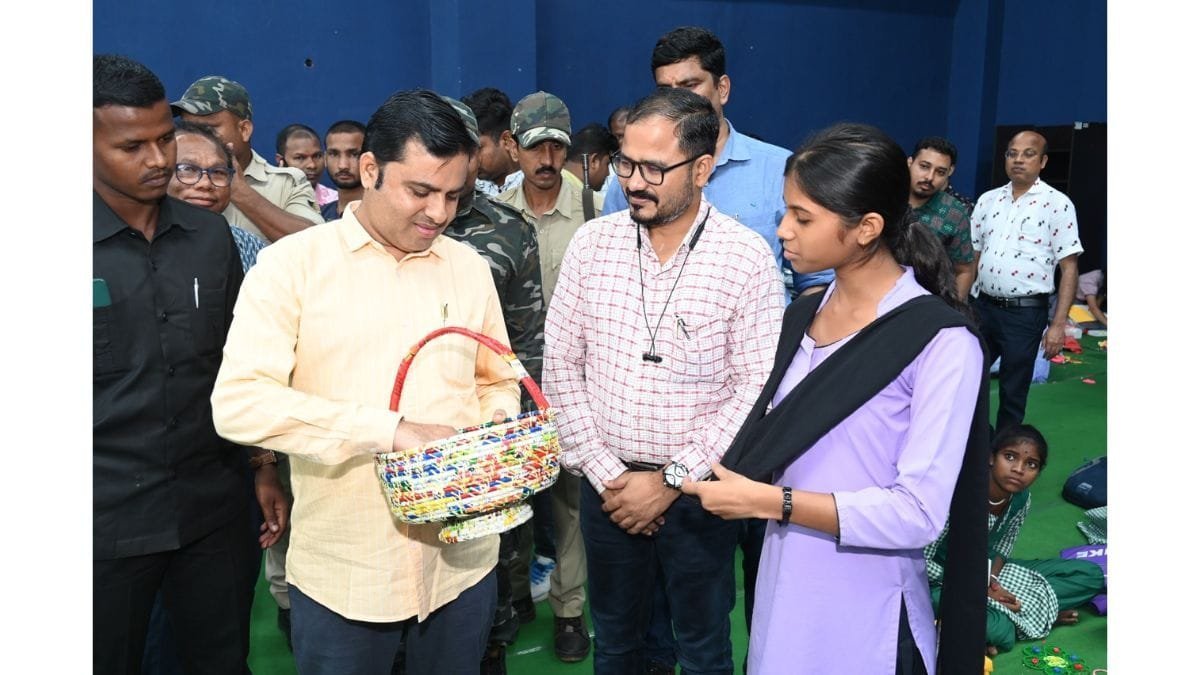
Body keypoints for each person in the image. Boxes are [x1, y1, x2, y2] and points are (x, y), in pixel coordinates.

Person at [210, 89, 519, 674]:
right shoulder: (292, 267)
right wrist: (389, 431)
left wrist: (497, 427)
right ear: (371, 170)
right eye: (420, 191)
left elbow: (496, 378)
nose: (439, 213)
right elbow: (240, 404)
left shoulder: (468, 267)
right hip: (346, 578)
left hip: (462, 567)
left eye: (454, 195)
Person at [683, 123, 990, 674]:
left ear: (867, 228)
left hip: (867, 610)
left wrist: (772, 502)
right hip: (784, 588)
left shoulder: (940, 343)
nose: (783, 229)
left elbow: (917, 514)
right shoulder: (803, 315)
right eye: (786, 211)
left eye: (803, 218)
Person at [543, 87, 785, 675]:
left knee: (702, 648)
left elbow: (755, 387)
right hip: (608, 493)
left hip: (702, 496)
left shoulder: (744, 257)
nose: (634, 182)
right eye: (625, 163)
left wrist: (672, 479)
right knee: (617, 644)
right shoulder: (592, 245)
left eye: (654, 168)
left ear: (701, 170)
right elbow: (562, 366)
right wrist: (610, 476)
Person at [93, 53, 261, 674]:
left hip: (211, 510)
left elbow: (239, 365)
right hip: (100, 522)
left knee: (219, 661)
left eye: (165, 138)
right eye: (131, 146)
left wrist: (263, 467)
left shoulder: (210, 238)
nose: (159, 159)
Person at [601, 26, 834, 297]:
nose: (678, 99)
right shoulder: (634, 178)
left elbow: (817, 282)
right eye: (665, 89)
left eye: (690, 85)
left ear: (722, 89)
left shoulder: (779, 170)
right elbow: (610, 268)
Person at [441, 95, 547, 675]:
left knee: (491, 567)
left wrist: (518, 432)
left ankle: (492, 646)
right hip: (406, 433)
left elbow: (527, 339)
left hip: (488, 425)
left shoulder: (508, 230)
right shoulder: (379, 227)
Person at [495, 90, 596, 664]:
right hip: (510, 383)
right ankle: (514, 598)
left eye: (558, 146)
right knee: (511, 499)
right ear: (513, 147)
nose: (548, 159)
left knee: (570, 503)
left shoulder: (597, 210)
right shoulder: (494, 215)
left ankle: (569, 610)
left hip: (577, 383)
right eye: (536, 147)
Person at [925, 424, 1106, 656]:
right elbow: (921, 562)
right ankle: (1032, 618)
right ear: (991, 458)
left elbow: (1003, 546)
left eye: (1031, 464)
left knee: (1090, 575)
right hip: (939, 584)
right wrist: (977, 588)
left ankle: (1006, 618)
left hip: (987, 575)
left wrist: (991, 583)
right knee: (999, 631)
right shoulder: (959, 494)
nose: (1019, 469)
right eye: (1010, 457)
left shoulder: (1021, 499)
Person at [972, 129, 1083, 433]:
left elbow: (1069, 268)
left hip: (1025, 314)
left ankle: (1003, 450)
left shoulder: (1057, 204)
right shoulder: (987, 201)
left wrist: (1058, 325)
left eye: (1028, 154)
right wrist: (961, 307)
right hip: (982, 308)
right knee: (967, 378)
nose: (1018, 160)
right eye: (1012, 153)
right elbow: (973, 257)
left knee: (1013, 389)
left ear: (1043, 161)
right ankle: (974, 443)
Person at [173, 75, 324, 242]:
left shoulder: (286, 183)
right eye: (190, 127)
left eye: (209, 128)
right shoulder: (174, 178)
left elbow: (318, 243)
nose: (198, 137)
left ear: (244, 130)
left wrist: (242, 193)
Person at [170, 121, 268, 272]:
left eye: (218, 172)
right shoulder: (136, 246)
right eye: (188, 169)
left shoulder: (249, 247)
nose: (205, 183)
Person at [907, 136, 975, 299]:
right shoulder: (885, 198)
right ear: (910, 162)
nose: (929, 177)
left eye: (940, 172)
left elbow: (965, 270)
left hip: (930, 303)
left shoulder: (955, 213)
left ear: (949, 172)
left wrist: (953, 310)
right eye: (924, 166)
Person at [463, 87, 524, 197]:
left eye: (478, 148)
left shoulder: (535, 187)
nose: (471, 159)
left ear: (506, 140)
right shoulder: (464, 190)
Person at [276, 123, 338, 208]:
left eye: (317, 156)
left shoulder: (335, 201)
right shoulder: (267, 200)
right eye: (300, 158)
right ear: (281, 161)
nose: (312, 165)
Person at [321, 119, 366, 220]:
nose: (343, 165)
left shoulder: (385, 215)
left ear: (369, 160)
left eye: (354, 154)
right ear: (325, 159)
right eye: (334, 154)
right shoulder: (317, 218)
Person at [564, 123, 619, 195]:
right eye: (607, 164)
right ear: (594, 161)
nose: (607, 173)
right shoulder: (584, 199)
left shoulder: (553, 184)